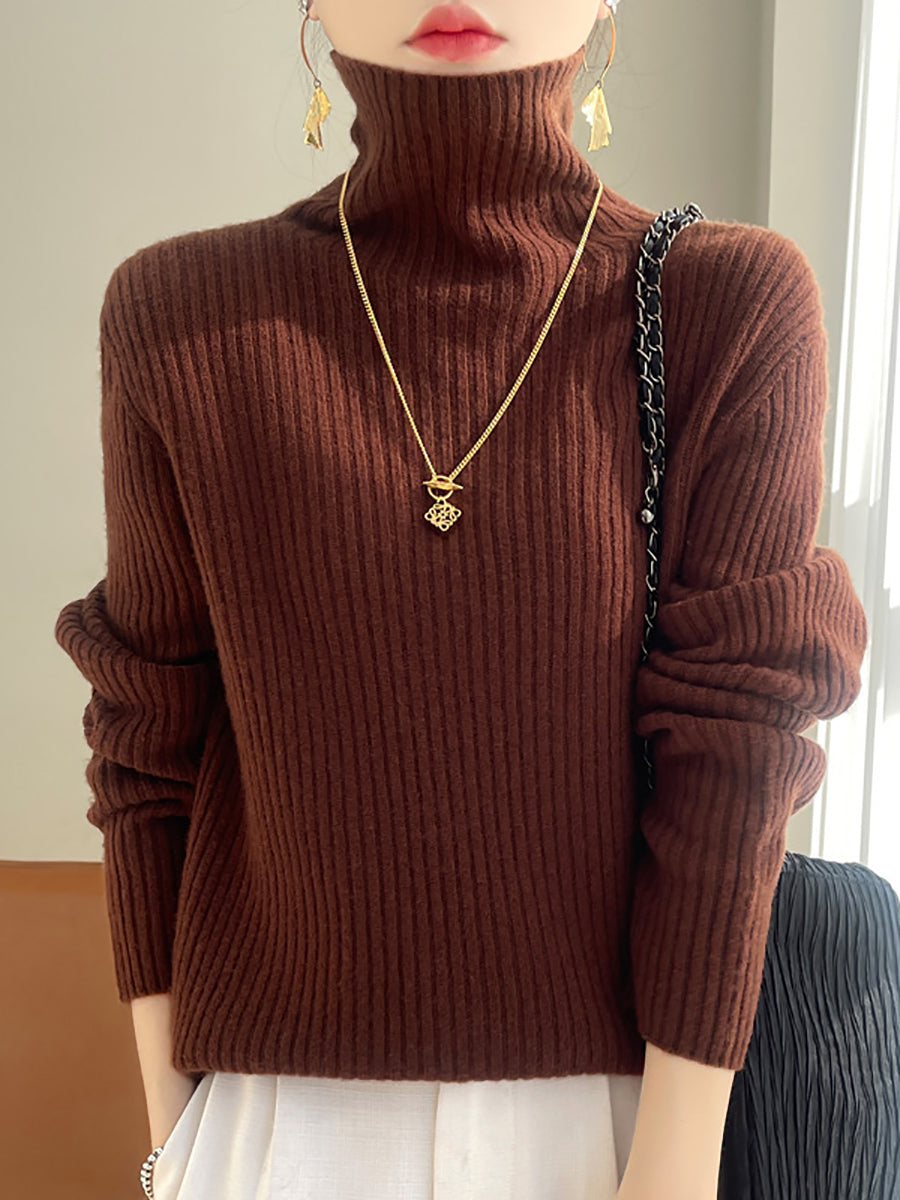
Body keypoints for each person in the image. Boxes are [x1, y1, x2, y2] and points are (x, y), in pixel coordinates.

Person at [53, 1, 869, 1198]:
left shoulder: (727, 302)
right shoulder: (181, 314)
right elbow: (148, 740)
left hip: (623, 1124)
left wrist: (673, 1170)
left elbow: (733, 753)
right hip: (271, 1130)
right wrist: (173, 1136)